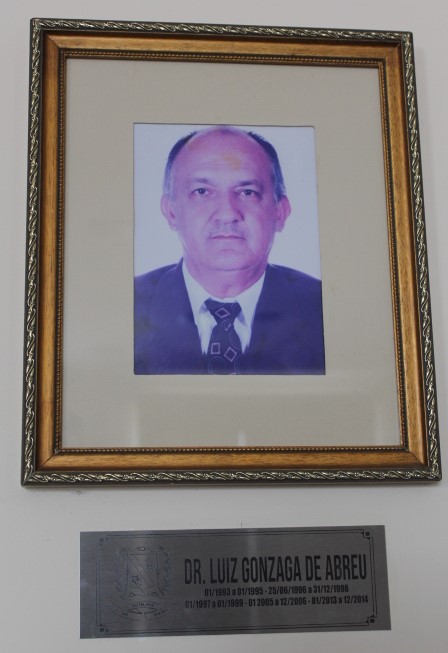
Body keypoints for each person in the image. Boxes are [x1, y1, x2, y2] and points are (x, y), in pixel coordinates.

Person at [134, 126, 325, 374]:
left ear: (280, 212)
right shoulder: (129, 305)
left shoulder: (324, 309)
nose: (227, 214)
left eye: (247, 192)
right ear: (171, 212)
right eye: (202, 192)